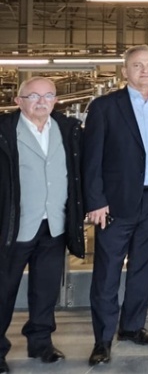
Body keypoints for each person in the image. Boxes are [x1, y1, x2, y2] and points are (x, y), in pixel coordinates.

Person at [82, 45, 148, 366]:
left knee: (145, 266)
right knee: (107, 272)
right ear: (124, 71)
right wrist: (96, 200)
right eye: (137, 65)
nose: (144, 71)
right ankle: (102, 340)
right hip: (115, 203)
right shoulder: (104, 106)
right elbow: (91, 158)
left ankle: (131, 326)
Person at [0, 78, 84, 372]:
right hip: (13, 227)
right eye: (33, 96)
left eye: (48, 96)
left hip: (54, 225)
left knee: (45, 289)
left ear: (56, 100)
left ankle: (41, 343)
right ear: (18, 101)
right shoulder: (4, 131)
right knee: (3, 290)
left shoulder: (67, 129)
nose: (41, 101)